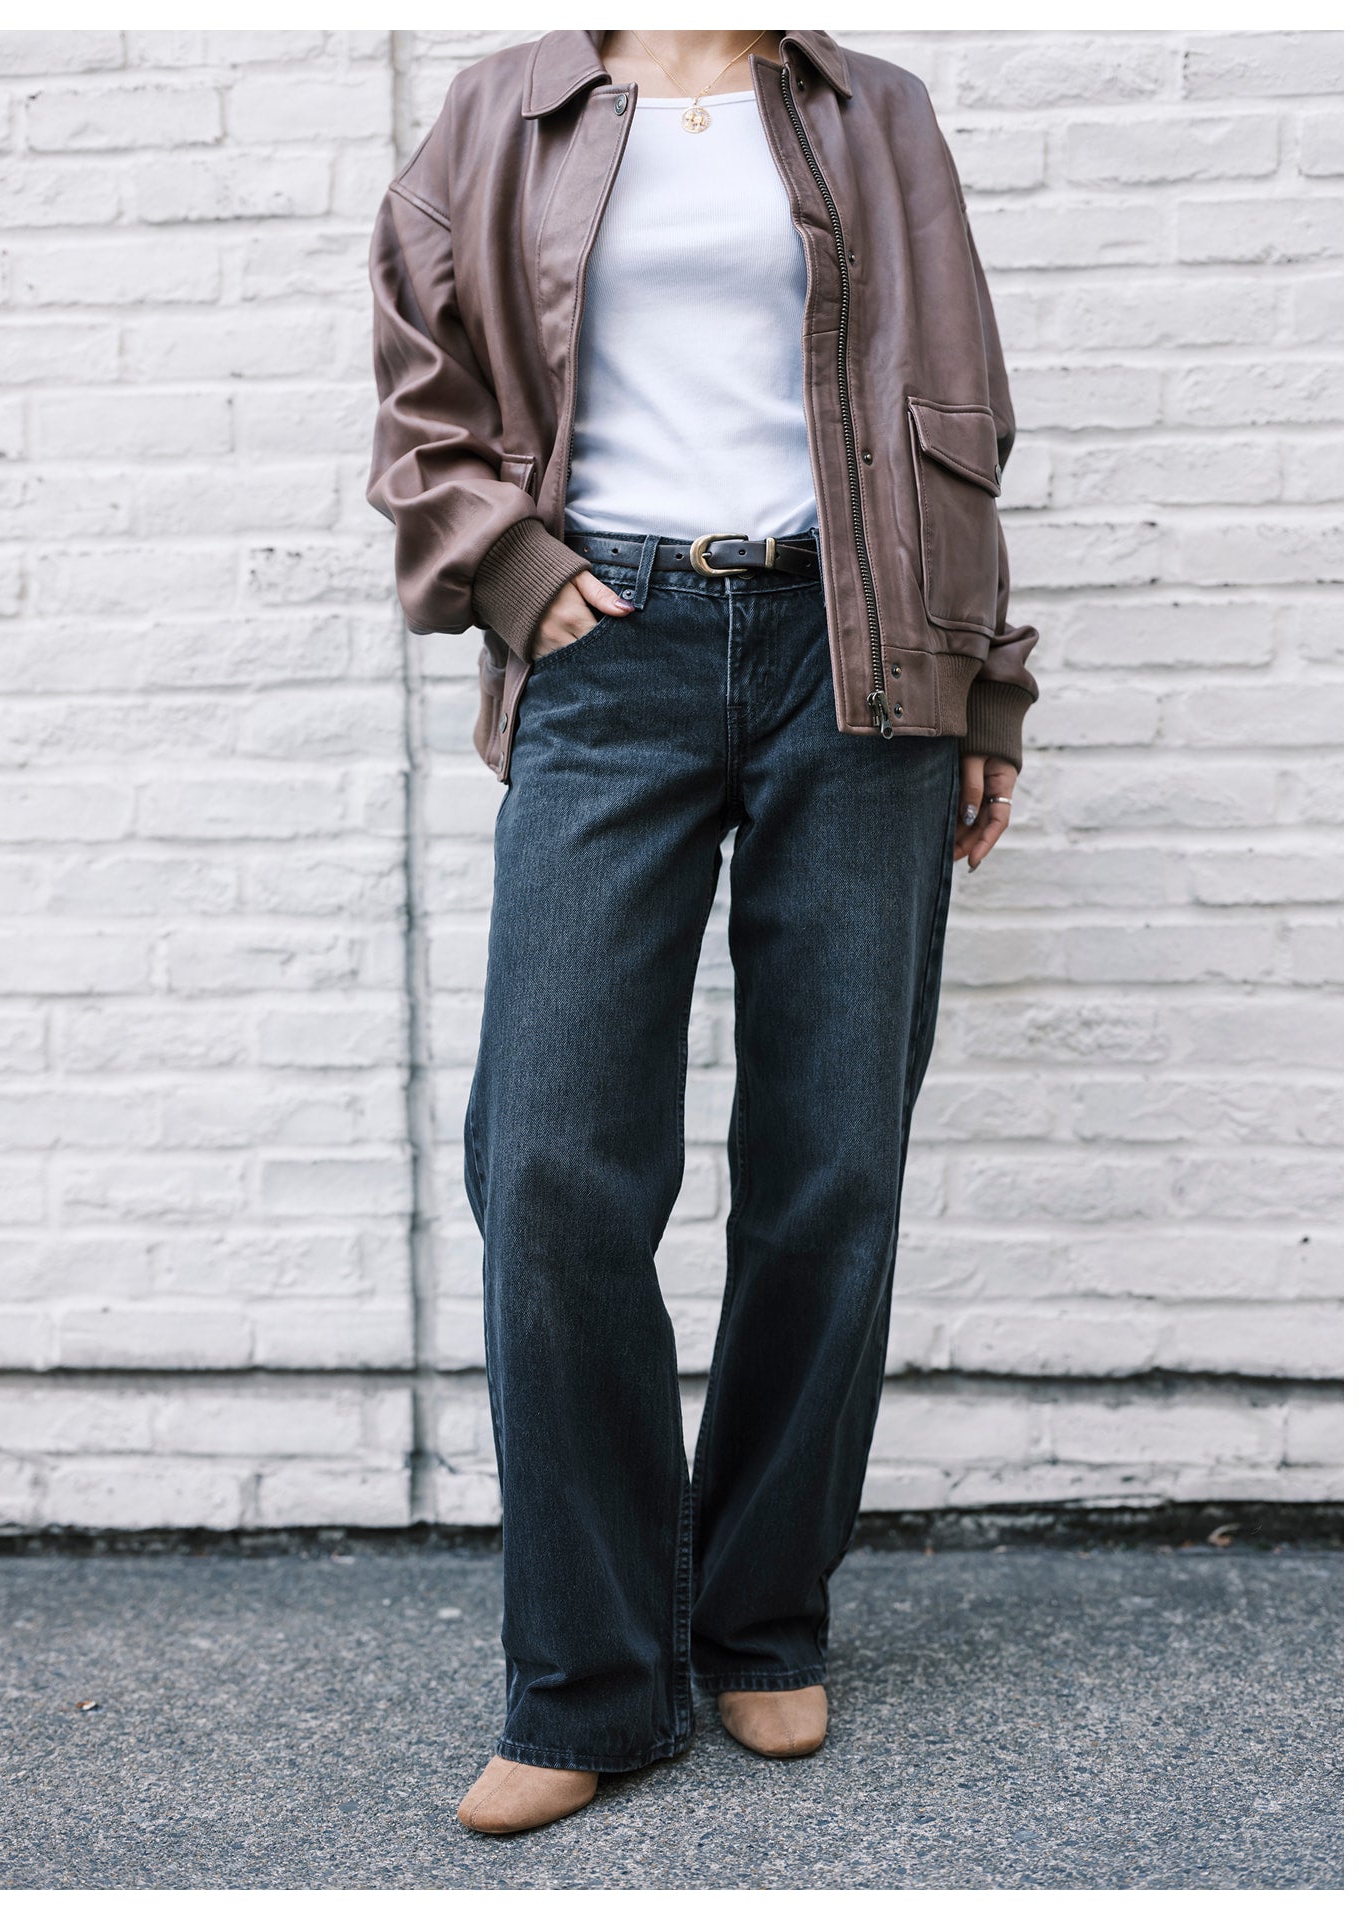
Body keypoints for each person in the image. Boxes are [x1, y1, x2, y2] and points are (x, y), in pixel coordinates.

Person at [367, 27, 1039, 1836]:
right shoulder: (502, 109)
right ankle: (586, 1678)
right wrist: (520, 575)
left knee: (830, 1165)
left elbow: (957, 408)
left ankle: (759, 1620)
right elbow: (426, 389)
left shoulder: (872, 109)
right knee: (550, 1163)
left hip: (859, 653)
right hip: (613, 651)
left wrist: (986, 683)